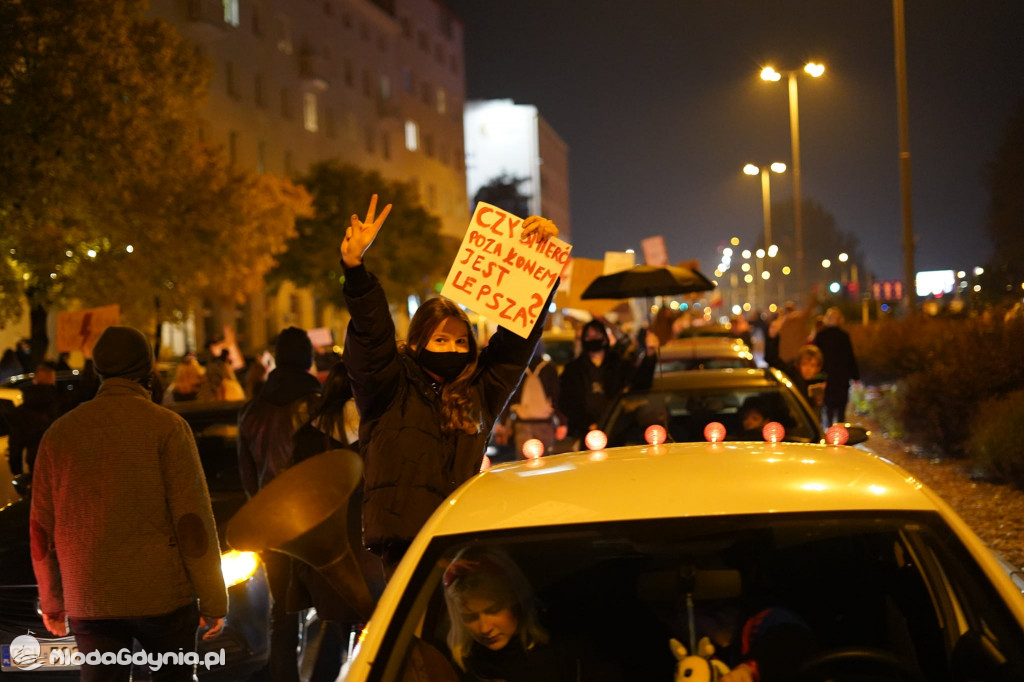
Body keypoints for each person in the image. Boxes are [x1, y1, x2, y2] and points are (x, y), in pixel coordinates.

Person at [340, 194, 556, 573]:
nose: (453, 349)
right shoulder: (388, 386)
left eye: (460, 341)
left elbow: (516, 343)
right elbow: (372, 335)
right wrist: (356, 269)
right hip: (404, 552)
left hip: (462, 545)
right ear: (418, 341)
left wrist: (539, 263)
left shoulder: (478, 390)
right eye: (440, 340)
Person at [29, 326, 226, 681]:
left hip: (90, 597)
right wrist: (212, 598)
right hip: (163, 597)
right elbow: (192, 521)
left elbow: (41, 531)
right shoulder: (167, 427)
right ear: (147, 370)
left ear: (98, 370)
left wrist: (53, 602)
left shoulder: (59, 434)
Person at [237, 326, 322, 682]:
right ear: (307, 359)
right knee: (328, 609)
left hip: (272, 523)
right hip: (318, 521)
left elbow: (247, 476)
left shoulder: (252, 410)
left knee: (283, 613)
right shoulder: (320, 404)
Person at [288, 361, 369, 681]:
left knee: (337, 632)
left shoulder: (308, 434)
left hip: (326, 549)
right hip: (368, 545)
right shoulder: (375, 428)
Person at [442, 546, 620, 682]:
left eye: (493, 610)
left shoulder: (566, 653)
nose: (484, 628)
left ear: (516, 602)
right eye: (470, 617)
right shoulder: (460, 666)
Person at [558, 319, 656, 440]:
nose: (592, 339)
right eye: (588, 336)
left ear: (604, 338)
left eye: (596, 335)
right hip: (585, 434)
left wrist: (650, 354)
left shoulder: (619, 365)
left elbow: (640, 383)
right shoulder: (573, 370)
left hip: (618, 431)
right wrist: (587, 424)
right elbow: (566, 401)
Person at [7, 361, 60, 476]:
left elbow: (15, 446)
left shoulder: (21, 411)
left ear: (34, 381)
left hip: (35, 465)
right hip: (60, 463)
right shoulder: (59, 405)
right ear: (52, 380)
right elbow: (85, 391)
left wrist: (17, 472)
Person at [812, 307, 860, 426]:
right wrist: (855, 376)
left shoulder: (821, 336)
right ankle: (840, 432)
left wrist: (815, 374)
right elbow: (850, 357)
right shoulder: (843, 336)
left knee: (828, 407)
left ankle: (829, 430)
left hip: (826, 376)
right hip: (841, 376)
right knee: (840, 408)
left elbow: (816, 357)